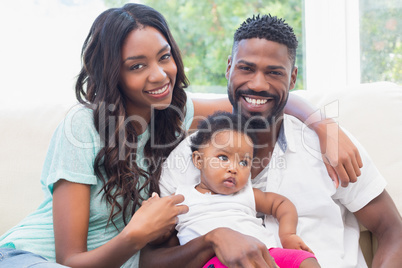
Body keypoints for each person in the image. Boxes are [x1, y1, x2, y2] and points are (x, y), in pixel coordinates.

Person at [0, 3, 363, 268]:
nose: (159, 76)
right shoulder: (85, 125)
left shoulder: (174, 111)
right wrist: (135, 236)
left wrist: (324, 127)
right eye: (137, 66)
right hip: (32, 258)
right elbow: (70, 260)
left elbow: (255, 98)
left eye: (164, 57)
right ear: (112, 73)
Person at [141, 14, 402, 268]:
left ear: (292, 77)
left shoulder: (330, 147)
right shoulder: (185, 159)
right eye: (246, 68)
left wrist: (324, 127)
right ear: (229, 67)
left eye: (274, 73)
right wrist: (212, 240)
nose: (257, 84)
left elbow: (392, 232)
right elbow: (152, 259)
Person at [175, 111, 319, 268]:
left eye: (243, 162)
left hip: (266, 254)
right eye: (223, 158)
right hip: (216, 259)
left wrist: (288, 234)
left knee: (304, 259)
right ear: (198, 160)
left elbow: (281, 203)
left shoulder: (246, 193)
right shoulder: (182, 198)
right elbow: (162, 233)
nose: (233, 168)